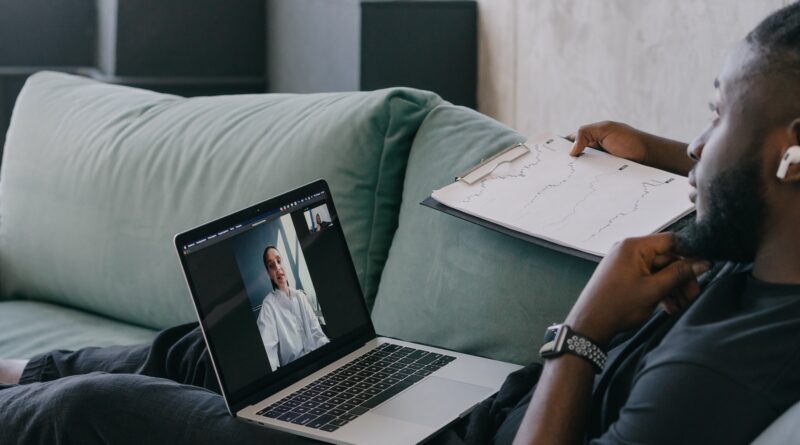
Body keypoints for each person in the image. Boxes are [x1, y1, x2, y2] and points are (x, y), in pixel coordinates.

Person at [2, 3, 800, 444]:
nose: (696, 145)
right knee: (210, 342)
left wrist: (581, 333)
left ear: (791, 156)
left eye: (718, 113)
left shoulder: (720, 376)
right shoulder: (754, 247)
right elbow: (725, 173)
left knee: (87, 414)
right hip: (460, 409)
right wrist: (660, 149)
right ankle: (18, 371)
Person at [257, 246, 329, 371]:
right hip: (296, 373)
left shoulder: (300, 296)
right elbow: (269, 356)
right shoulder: (268, 305)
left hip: (319, 362)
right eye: (271, 265)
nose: (278, 268)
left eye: (279, 261)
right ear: (269, 274)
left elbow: (317, 335)